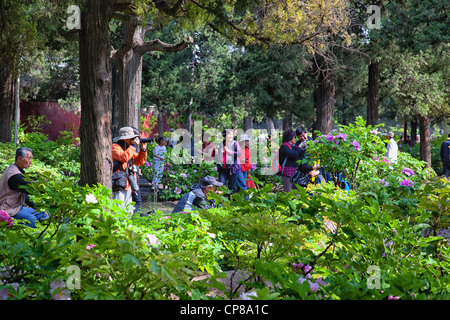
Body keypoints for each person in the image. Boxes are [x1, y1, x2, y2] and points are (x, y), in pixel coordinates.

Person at [0, 147, 49, 228]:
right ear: (19, 158)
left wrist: (37, 206)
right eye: (29, 158)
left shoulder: (15, 169)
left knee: (42, 214)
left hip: (17, 207)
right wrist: (49, 193)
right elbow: (32, 189)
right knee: (32, 220)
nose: (31, 162)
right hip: (8, 210)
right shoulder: (14, 176)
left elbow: (24, 195)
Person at [112, 127, 148, 213]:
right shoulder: (114, 147)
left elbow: (138, 161)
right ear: (126, 138)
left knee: (128, 211)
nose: (134, 140)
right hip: (118, 184)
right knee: (119, 209)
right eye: (132, 138)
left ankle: (126, 225)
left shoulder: (128, 149)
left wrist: (143, 150)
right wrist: (134, 146)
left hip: (128, 184)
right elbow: (124, 157)